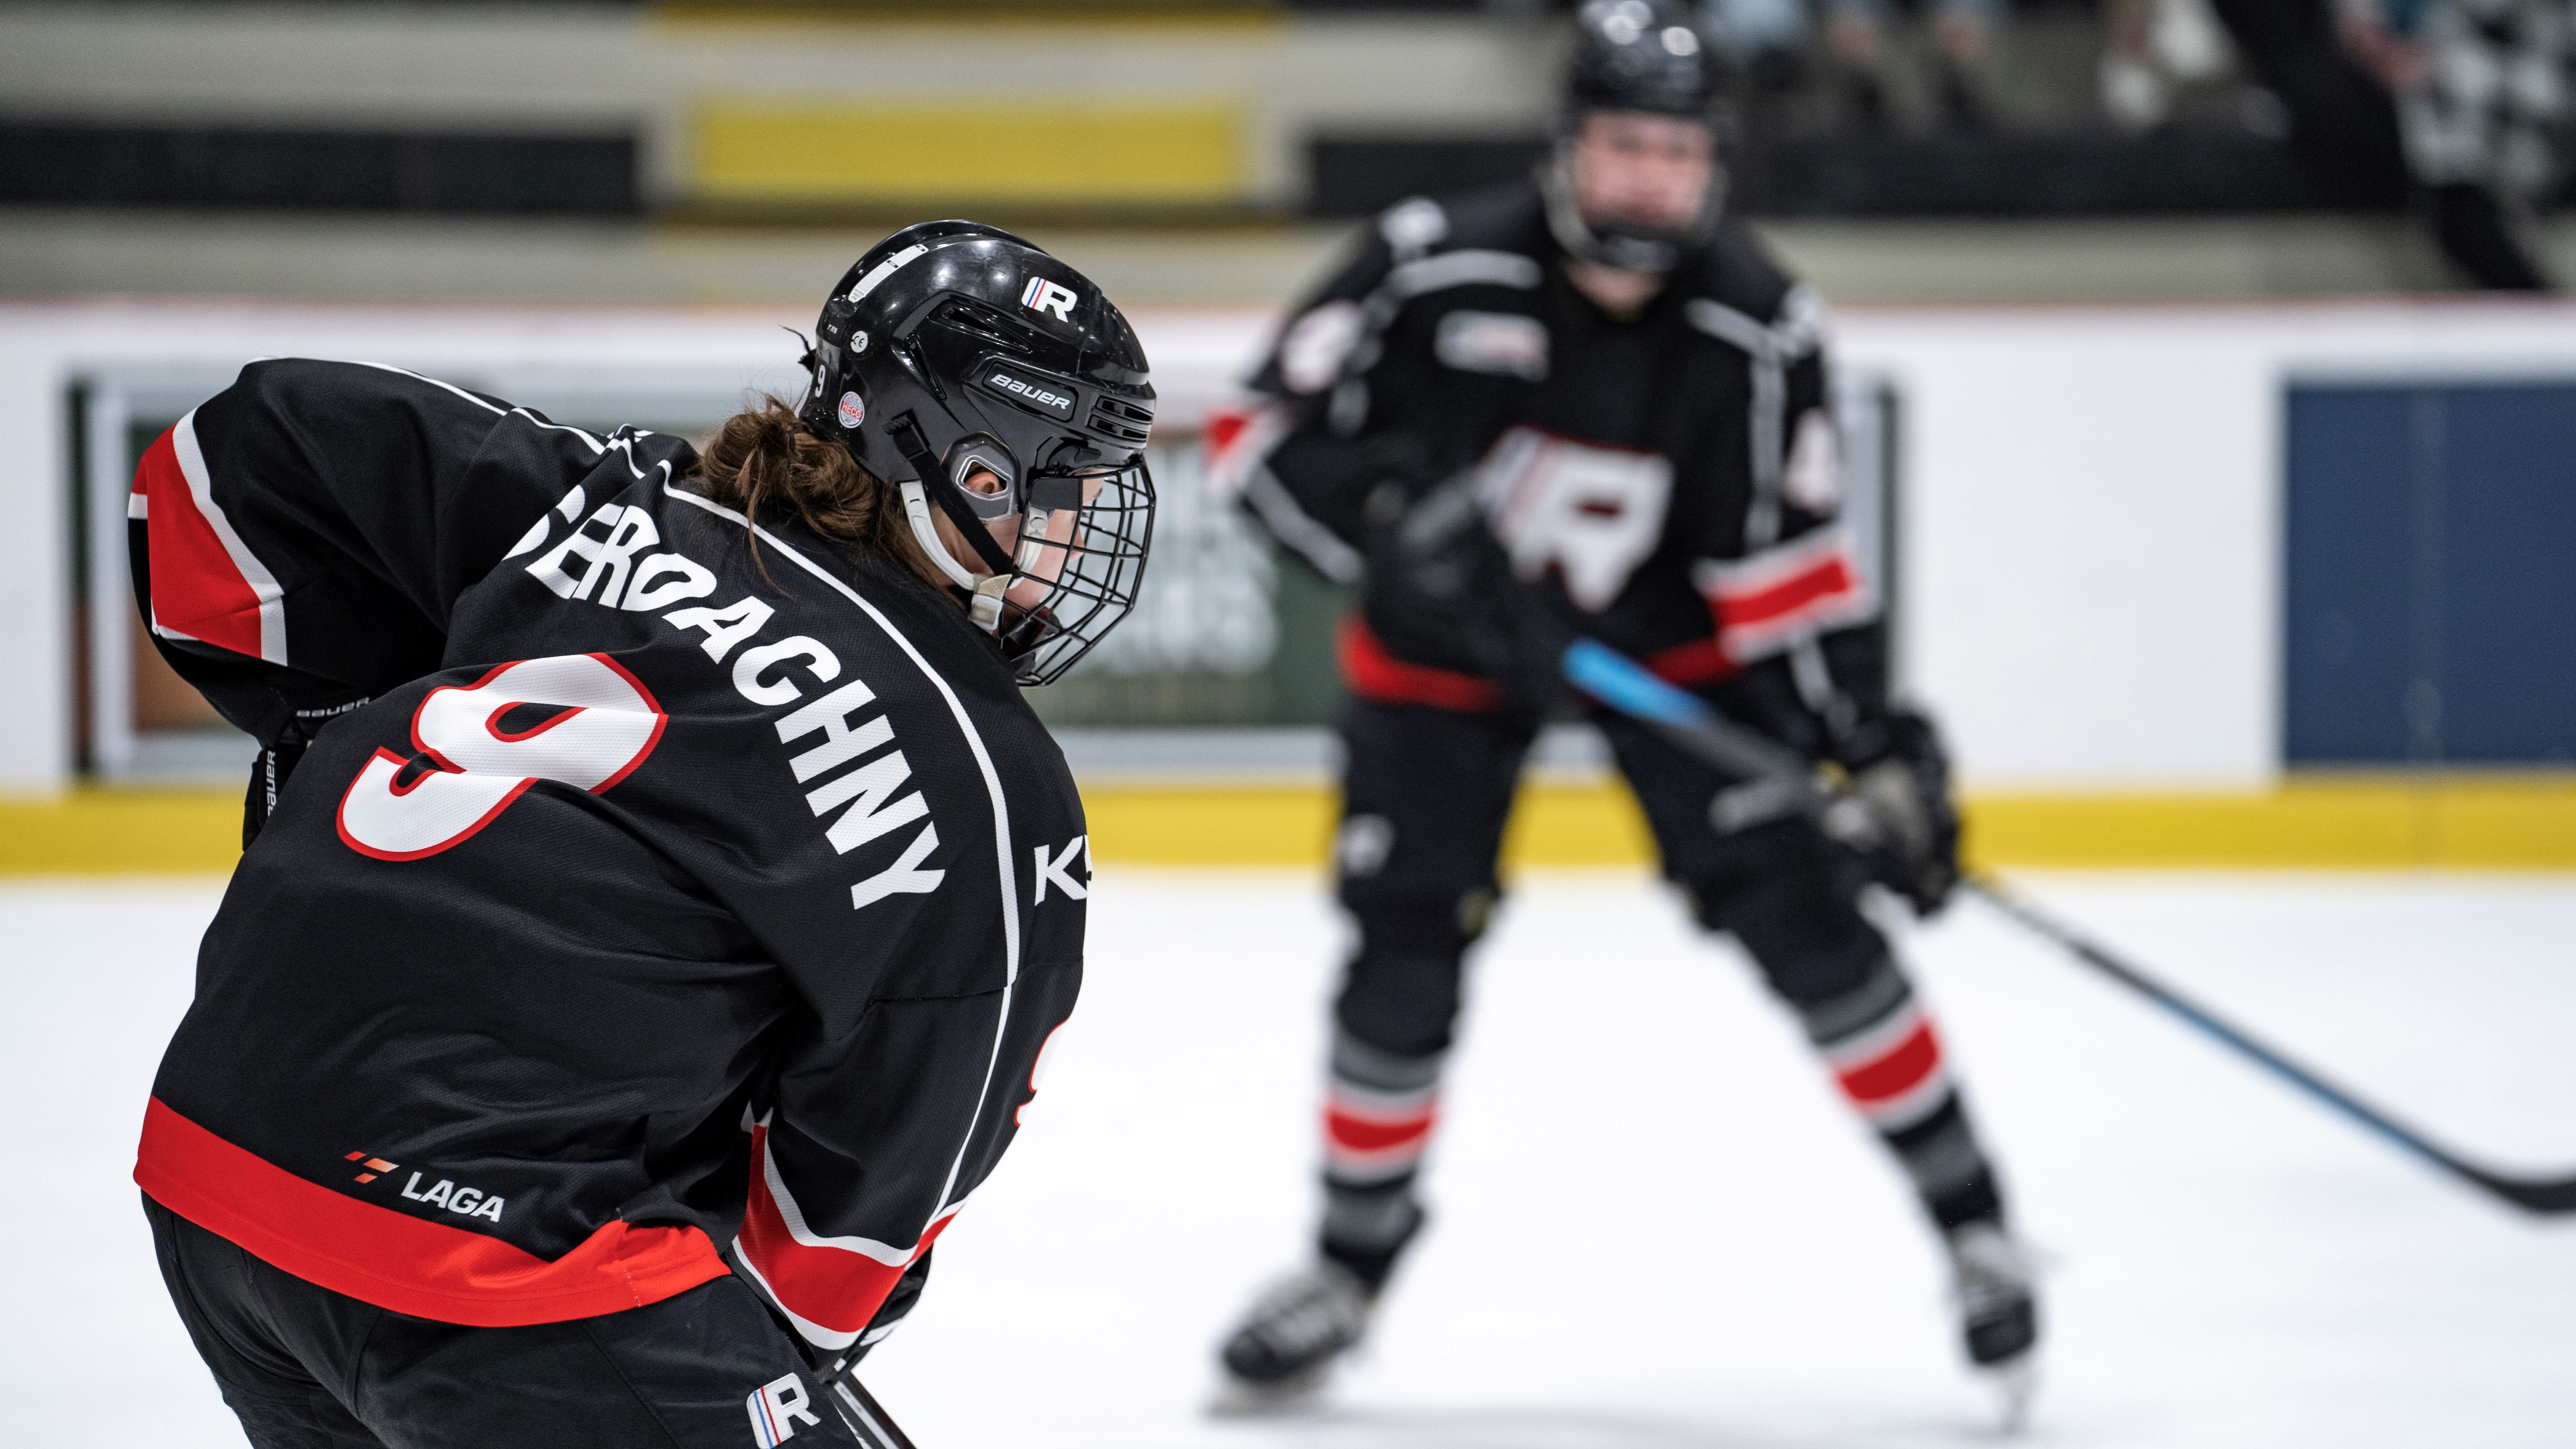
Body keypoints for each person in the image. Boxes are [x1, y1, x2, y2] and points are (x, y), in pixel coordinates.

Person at [128, 220, 1155, 1448]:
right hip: (492, 1263)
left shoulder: (602, 501)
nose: (1078, 530)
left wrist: (332, 732)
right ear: (965, 470)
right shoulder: (977, 774)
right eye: (1065, 486)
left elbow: (216, 472)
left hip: (214, 1172)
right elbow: (838, 1247)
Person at [1207, 0, 2039, 1418]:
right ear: (1565, 150)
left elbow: (1791, 570)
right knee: (1403, 954)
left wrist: (1868, 745)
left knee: (1810, 922)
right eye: (1624, 147)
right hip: (1443, 657)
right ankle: (1348, 1271)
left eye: (1679, 151)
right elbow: (1253, 439)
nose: (1651, 179)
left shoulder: (1759, 327)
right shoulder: (1428, 266)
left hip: (1672, 657)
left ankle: (1980, 1234)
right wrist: (1391, 523)